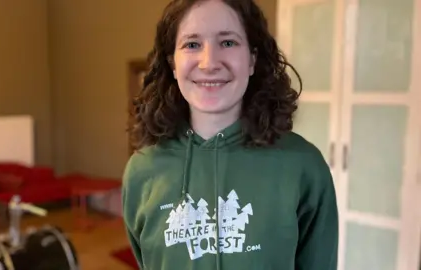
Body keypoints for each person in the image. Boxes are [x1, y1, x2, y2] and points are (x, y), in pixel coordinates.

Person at [122, 0, 339, 269]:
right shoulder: (142, 170)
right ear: (173, 64)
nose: (209, 62)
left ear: (252, 59)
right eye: (192, 44)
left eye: (227, 43)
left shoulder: (303, 166)